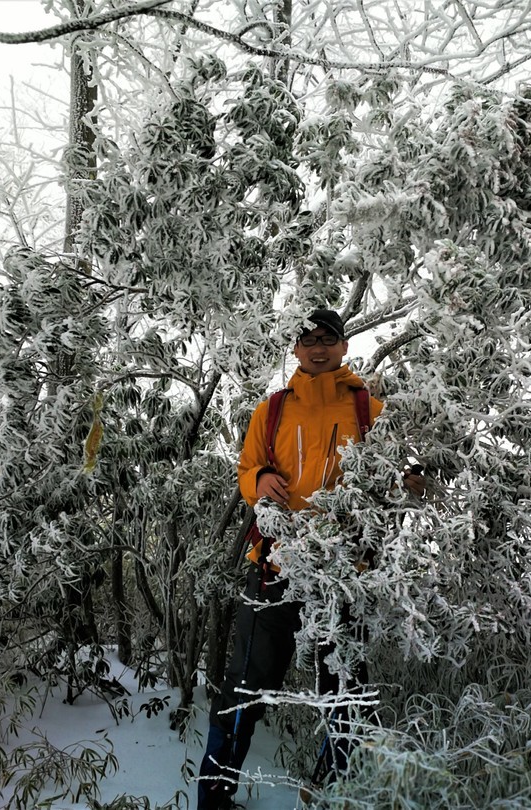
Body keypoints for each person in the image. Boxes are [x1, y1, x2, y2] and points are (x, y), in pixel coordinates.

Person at [197, 308, 422, 810]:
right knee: (243, 688)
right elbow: (247, 468)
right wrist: (257, 482)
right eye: (308, 340)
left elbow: (394, 477)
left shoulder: (372, 411)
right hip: (274, 568)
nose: (318, 348)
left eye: (327, 338)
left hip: (344, 575)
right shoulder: (272, 409)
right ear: (295, 350)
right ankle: (213, 799)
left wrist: (411, 482)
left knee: (344, 692)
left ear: (343, 348)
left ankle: (333, 795)